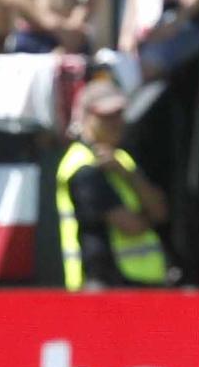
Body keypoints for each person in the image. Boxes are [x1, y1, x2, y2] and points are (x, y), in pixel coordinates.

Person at [56, 79, 168, 289]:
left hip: (136, 282)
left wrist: (129, 174)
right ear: (86, 117)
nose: (116, 122)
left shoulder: (122, 160)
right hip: (100, 284)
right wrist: (150, 216)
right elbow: (132, 226)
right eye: (106, 116)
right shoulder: (83, 167)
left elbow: (161, 211)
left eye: (119, 114)